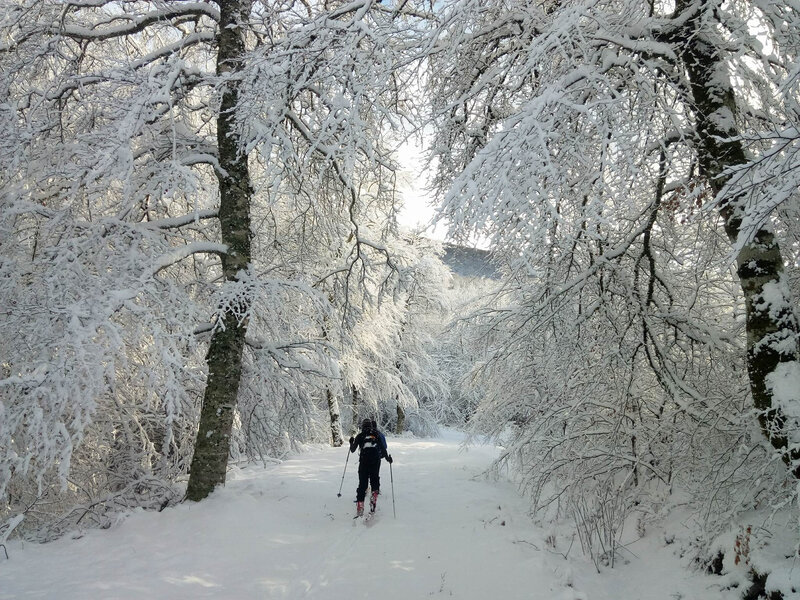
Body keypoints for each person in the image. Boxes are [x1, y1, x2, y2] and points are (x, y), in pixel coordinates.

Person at [349, 418, 392, 517]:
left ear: (362, 426)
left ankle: (360, 507)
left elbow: (352, 450)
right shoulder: (376, 435)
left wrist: (351, 442)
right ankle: (374, 495)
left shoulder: (360, 436)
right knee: (374, 479)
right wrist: (387, 458)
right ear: (371, 426)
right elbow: (382, 448)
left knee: (362, 484)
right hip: (375, 461)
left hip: (364, 462)